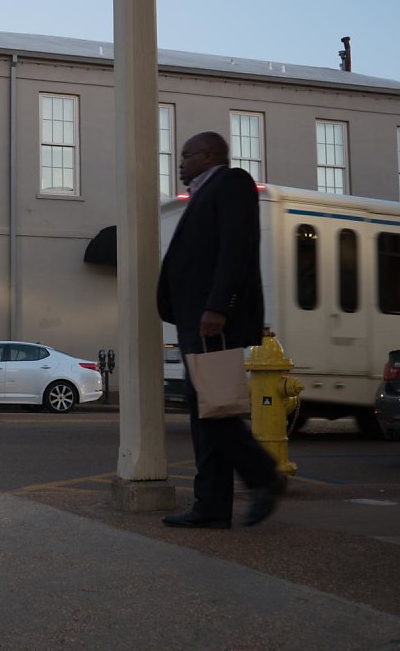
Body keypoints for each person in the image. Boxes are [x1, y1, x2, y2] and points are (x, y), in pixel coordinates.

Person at [157, 130, 282, 528]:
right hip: (197, 320)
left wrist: (218, 307)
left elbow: (236, 248)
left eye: (186, 155)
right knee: (205, 412)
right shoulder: (201, 196)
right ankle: (211, 505)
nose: (180, 163)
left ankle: (264, 477)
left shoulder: (232, 183)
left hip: (213, 322)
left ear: (209, 155)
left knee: (216, 409)